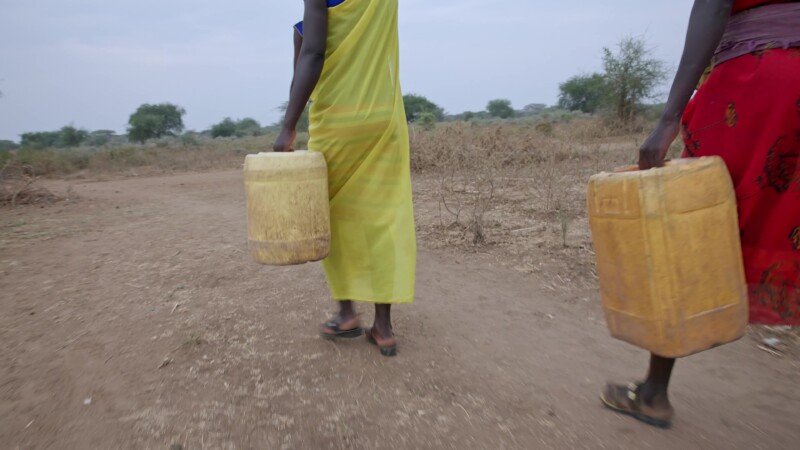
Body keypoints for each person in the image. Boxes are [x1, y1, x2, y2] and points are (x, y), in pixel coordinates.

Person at [601, 0, 800, 428]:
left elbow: (714, 3)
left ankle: (653, 392)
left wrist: (669, 117)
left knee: (694, 226)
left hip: (763, 81)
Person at [273, 0, 416, 357]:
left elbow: (313, 52)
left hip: (337, 120)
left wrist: (288, 125)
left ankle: (347, 313)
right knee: (384, 218)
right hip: (383, 118)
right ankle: (383, 327)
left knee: (333, 215)